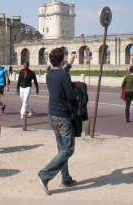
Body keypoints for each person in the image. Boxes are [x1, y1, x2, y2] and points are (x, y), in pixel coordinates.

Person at [38, 48, 77, 195]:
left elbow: (61, 74)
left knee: (62, 149)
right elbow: (71, 96)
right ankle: (45, 175)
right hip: (62, 116)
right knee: (68, 149)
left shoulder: (49, 74)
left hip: (52, 115)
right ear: (62, 61)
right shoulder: (63, 75)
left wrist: (70, 64)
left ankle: (66, 178)